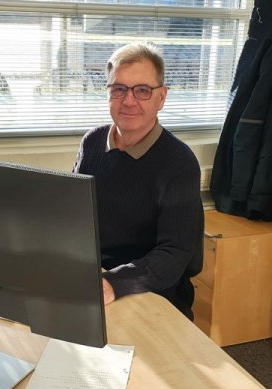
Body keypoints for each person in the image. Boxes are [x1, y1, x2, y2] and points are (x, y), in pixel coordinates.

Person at [73, 43, 204, 320]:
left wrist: (114, 283)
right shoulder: (92, 142)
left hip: (151, 291)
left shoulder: (179, 163)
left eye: (142, 90)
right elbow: (74, 212)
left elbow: (174, 253)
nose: (129, 101)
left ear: (161, 97)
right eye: (119, 89)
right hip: (93, 277)